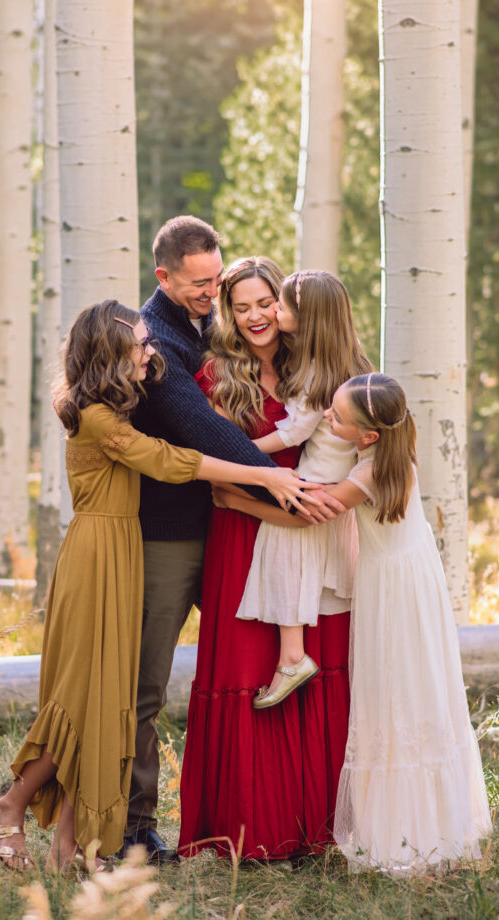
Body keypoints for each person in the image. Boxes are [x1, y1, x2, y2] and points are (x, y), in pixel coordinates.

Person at [0, 300, 318, 873]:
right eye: (140, 344)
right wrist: (260, 473)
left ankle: (71, 847)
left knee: (107, 701)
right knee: (81, 700)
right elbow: (170, 462)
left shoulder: (119, 401)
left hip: (122, 552)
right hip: (96, 559)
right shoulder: (96, 416)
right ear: (111, 355)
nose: (150, 351)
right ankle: (10, 803)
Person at [125, 217, 342, 862]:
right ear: (165, 278)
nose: (235, 305)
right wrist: (283, 486)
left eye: (221, 282)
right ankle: (144, 827)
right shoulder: (171, 345)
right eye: (217, 291)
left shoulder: (301, 362)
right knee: (169, 681)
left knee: (297, 672)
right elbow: (200, 434)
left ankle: (311, 821)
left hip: (287, 542)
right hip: (197, 529)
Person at [177, 258, 352, 862]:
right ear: (228, 313)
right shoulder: (218, 377)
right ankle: (251, 830)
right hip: (245, 535)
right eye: (241, 307)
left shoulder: (317, 367)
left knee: (314, 665)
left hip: (319, 540)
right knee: (251, 672)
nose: (255, 317)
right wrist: (284, 508)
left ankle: (319, 826)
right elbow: (222, 484)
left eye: (264, 304)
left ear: (283, 305)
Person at [322, 372, 492, 874]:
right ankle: (430, 821)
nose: (327, 417)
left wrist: (241, 496)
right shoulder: (397, 447)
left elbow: (315, 509)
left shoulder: (369, 475)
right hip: (416, 579)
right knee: (419, 689)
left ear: (368, 436)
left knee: (391, 695)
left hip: (393, 591)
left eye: (336, 416)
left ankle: (402, 836)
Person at [235, 270, 372, 708]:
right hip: (337, 481)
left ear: (307, 318)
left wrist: (241, 454)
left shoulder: (317, 372)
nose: (274, 311)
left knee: (281, 550)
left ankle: (292, 656)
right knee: (300, 560)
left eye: (281, 306)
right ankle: (292, 655)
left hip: (316, 481)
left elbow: (293, 432)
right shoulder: (351, 364)